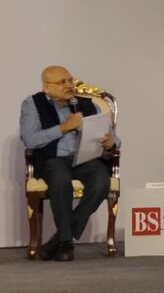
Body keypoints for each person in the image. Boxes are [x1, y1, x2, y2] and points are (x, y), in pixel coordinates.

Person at [20, 65, 118, 262]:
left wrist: (111, 141)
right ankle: (66, 243)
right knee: (60, 178)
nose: (69, 85)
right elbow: (30, 139)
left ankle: (59, 239)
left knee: (101, 181)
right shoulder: (32, 104)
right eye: (62, 82)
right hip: (54, 158)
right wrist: (63, 128)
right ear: (47, 87)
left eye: (69, 80)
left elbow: (112, 135)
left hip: (84, 158)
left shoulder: (88, 104)